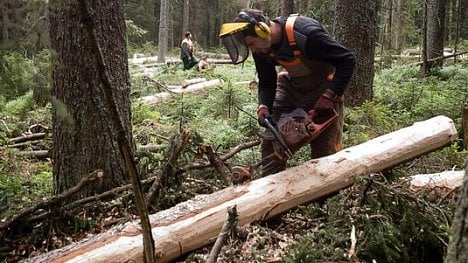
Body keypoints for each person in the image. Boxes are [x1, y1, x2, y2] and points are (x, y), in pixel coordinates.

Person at [219, 9, 356, 176]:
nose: (253, 50)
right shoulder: (262, 47)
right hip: (292, 87)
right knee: (272, 139)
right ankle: (268, 188)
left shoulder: (305, 33)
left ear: (262, 30)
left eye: (251, 45)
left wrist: (330, 95)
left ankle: (325, 196)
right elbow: (267, 81)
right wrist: (264, 106)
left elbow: (347, 60)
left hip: (323, 87)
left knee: (325, 150)